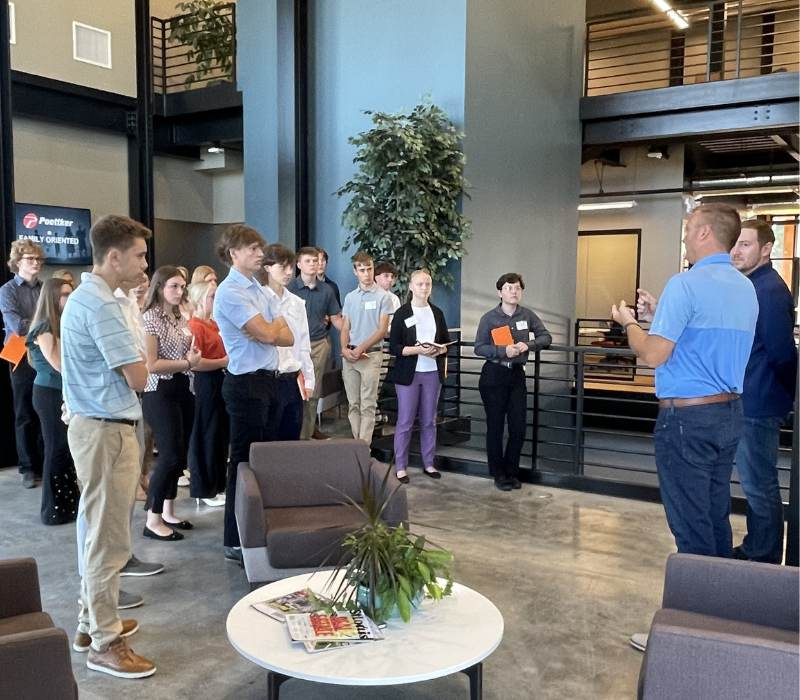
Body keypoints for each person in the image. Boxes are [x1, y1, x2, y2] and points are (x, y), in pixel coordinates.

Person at [621, 204, 759, 654]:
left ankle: (691, 637)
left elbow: (654, 354)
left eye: (686, 229)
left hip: (687, 421)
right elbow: (703, 338)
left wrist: (631, 325)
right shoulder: (744, 288)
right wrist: (663, 313)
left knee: (691, 527)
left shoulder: (685, 284)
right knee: (716, 520)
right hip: (728, 416)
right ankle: (723, 621)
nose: (683, 237)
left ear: (702, 232)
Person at [60, 214, 155, 678]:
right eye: (138, 255)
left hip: (97, 426)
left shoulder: (90, 298)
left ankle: (89, 623)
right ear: (113, 257)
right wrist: (143, 355)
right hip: (106, 431)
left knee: (100, 529)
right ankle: (105, 640)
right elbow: (138, 375)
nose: (144, 264)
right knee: (108, 539)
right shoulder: (101, 306)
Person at [213, 225, 294, 563]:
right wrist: (268, 329)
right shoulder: (230, 291)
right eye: (252, 248)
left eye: (260, 248)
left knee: (267, 460)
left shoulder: (260, 290)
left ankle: (259, 527)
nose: (260, 254)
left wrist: (268, 330)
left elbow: (286, 336)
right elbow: (265, 332)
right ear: (233, 253)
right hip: (246, 384)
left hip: (270, 380)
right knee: (244, 463)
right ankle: (235, 537)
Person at [730, 220, 796, 563]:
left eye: (745, 244)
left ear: (766, 248)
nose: (736, 251)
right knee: (755, 484)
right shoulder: (752, 285)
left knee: (759, 486)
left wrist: (784, 395)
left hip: (759, 404)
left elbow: (783, 353)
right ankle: (759, 548)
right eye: (735, 244)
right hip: (752, 400)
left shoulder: (767, 289)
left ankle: (764, 556)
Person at [475, 273, 552, 491]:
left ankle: (512, 471)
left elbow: (546, 337)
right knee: (496, 426)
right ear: (500, 292)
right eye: (509, 288)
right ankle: (498, 474)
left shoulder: (526, 315)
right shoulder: (489, 318)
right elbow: (479, 347)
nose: (513, 292)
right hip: (494, 374)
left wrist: (529, 345)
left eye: (517, 288)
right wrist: (502, 350)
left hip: (517, 374)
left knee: (518, 427)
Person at [141, 266, 201, 541]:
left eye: (182, 286)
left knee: (180, 451)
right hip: (160, 389)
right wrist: (188, 362)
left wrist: (190, 357)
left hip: (183, 386)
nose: (179, 291)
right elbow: (152, 364)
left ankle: (167, 510)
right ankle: (152, 519)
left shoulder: (179, 316)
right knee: (168, 455)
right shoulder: (151, 318)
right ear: (160, 287)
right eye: (173, 286)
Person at [25, 277, 80, 524]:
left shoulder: (61, 325)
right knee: (56, 448)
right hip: (48, 393)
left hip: (61, 391)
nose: (69, 298)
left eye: (71, 293)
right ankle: (53, 510)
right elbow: (58, 363)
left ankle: (69, 505)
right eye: (65, 294)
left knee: (64, 449)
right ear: (53, 298)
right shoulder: (45, 327)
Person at [387, 270, 450, 483]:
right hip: (408, 374)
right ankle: (401, 466)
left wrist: (439, 350)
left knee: (429, 420)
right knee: (405, 420)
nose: (424, 288)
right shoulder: (402, 313)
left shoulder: (438, 313)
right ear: (411, 287)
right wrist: (417, 351)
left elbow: (446, 343)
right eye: (420, 284)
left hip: (432, 372)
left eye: (428, 284)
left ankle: (429, 463)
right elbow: (394, 347)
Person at [0, 239, 45, 488]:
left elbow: (56, 318)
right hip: (18, 353)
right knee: (24, 412)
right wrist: (42, 323)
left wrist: (36, 323)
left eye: (38, 259)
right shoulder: (8, 290)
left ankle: (43, 463)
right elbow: (17, 326)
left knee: (44, 410)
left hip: (44, 352)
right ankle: (28, 468)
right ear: (17, 262)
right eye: (30, 259)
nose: (36, 263)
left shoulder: (44, 288)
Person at [287, 246, 342, 440]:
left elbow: (336, 319)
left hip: (318, 344)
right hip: (293, 345)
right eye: (308, 261)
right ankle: (290, 436)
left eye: (315, 261)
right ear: (299, 264)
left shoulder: (327, 290)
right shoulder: (289, 289)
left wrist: (351, 335)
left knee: (312, 392)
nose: (313, 264)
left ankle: (306, 436)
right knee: (292, 390)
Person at [261, 244, 315, 440]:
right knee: (268, 437)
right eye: (282, 267)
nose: (289, 272)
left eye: (291, 267)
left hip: (292, 378)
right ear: (267, 267)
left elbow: (304, 344)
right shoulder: (259, 299)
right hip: (267, 378)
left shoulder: (296, 303)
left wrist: (309, 379)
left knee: (291, 435)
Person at [340, 251, 393, 442]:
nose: (366, 273)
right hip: (350, 356)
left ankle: (364, 447)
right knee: (353, 404)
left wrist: (360, 348)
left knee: (368, 404)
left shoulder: (383, 297)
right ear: (355, 271)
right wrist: (344, 349)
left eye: (369, 268)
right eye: (362, 270)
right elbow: (345, 326)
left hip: (371, 355)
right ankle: (357, 443)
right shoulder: (350, 297)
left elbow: (382, 330)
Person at [187, 279, 229, 507]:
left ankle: (217, 482)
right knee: (206, 433)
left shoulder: (212, 324)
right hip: (206, 382)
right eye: (212, 296)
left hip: (219, 380)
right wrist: (223, 361)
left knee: (219, 434)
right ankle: (204, 487)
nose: (215, 300)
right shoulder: (195, 326)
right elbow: (195, 363)